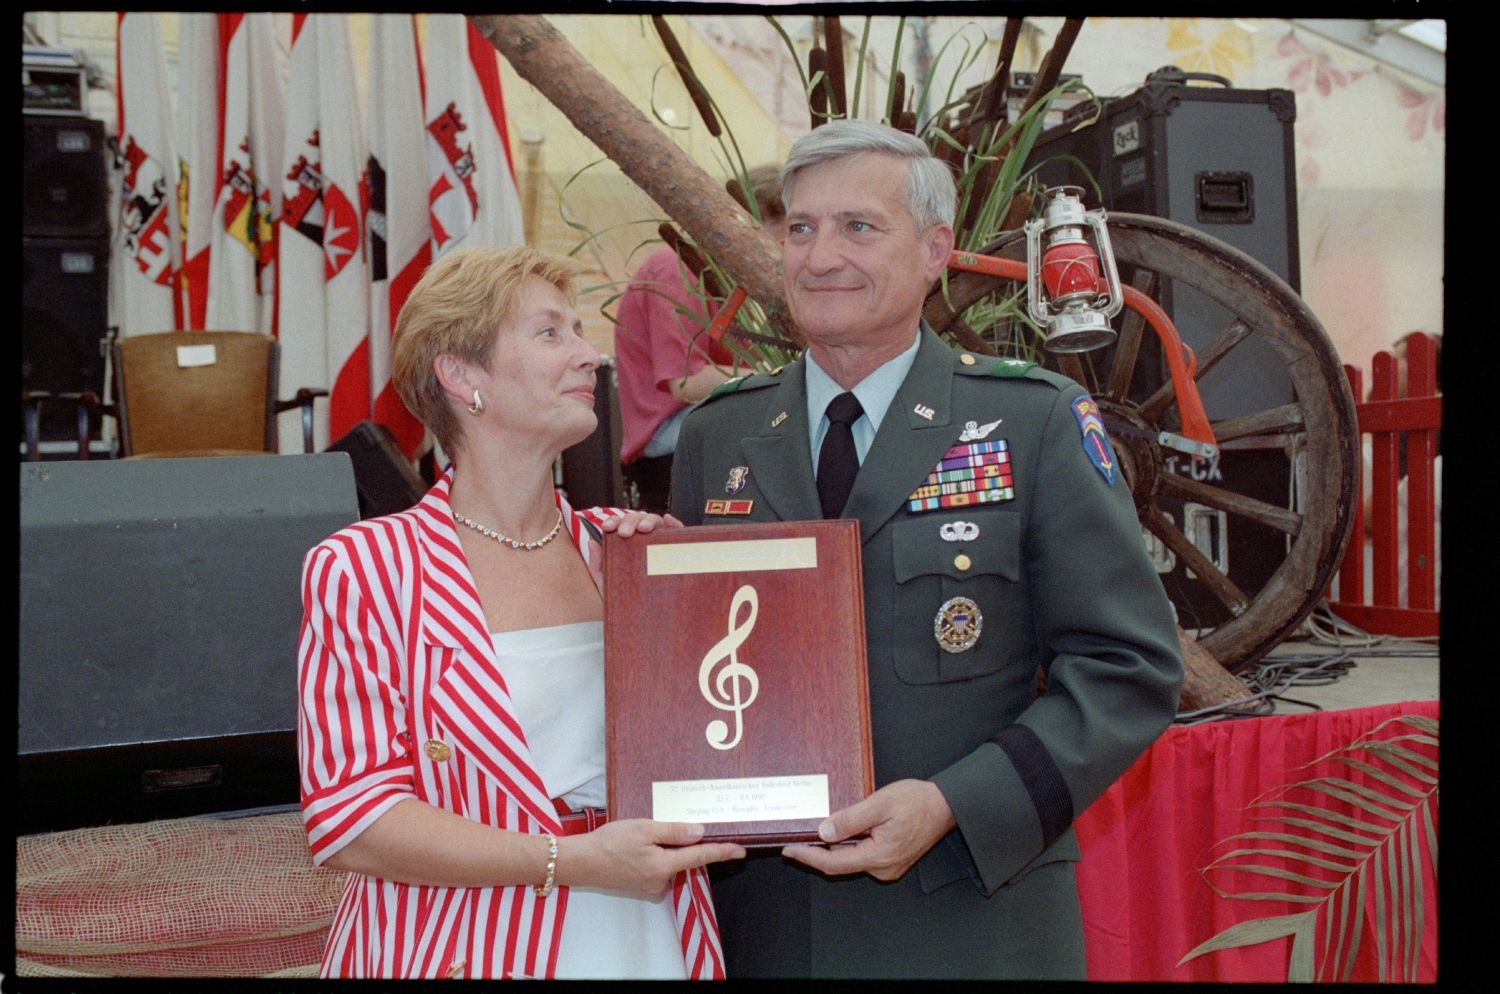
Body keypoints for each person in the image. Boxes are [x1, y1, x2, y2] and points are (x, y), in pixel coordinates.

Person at [669, 121, 1185, 978]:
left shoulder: (1032, 423)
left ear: (935, 248)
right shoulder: (719, 436)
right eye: (800, 227)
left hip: (969, 915)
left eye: (858, 227)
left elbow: (1126, 665)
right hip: (765, 925)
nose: (820, 255)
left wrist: (953, 804)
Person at [296, 246, 744, 979]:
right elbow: (354, 821)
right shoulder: (365, 568)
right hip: (457, 943)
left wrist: (690, 599)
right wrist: (571, 861)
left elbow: (725, 734)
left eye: (578, 331)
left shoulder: (628, 551)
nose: (588, 356)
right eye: (550, 334)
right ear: (462, 375)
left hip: (651, 938)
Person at [614, 165, 787, 512]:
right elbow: (687, 383)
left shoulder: (733, 279)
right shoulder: (677, 267)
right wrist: (782, 374)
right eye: (789, 234)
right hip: (670, 439)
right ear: (754, 218)